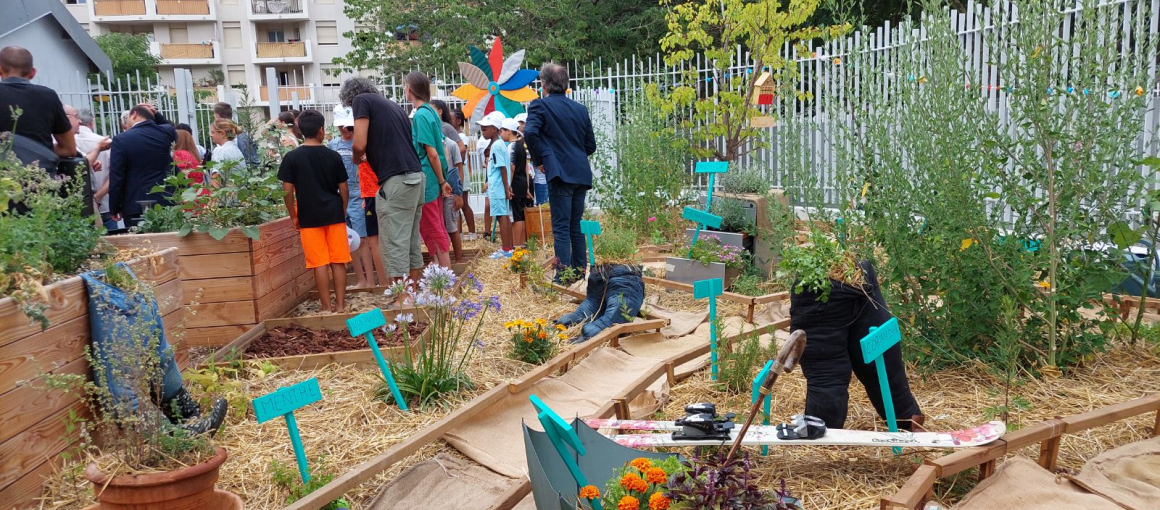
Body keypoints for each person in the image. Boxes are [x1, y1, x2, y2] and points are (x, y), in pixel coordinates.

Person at [789, 260, 925, 432]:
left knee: (884, 367)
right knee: (827, 375)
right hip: (823, 299)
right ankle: (824, 435)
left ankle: (908, 422)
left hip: (859, 285)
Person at [340, 77, 425, 299]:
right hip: (416, 177)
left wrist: (357, 158)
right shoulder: (393, 107)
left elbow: (359, 143)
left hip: (395, 181)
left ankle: (403, 301)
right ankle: (413, 296)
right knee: (410, 241)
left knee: (392, 243)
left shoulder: (361, 100)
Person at [524, 63, 597, 283]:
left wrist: (541, 160)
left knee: (561, 227)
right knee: (575, 224)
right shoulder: (580, 109)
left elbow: (529, 132)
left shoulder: (540, 106)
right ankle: (579, 273)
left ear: (544, 85)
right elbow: (590, 146)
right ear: (566, 84)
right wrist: (572, 154)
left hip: (559, 174)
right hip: (580, 173)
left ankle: (564, 277)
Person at [278, 109, 351, 313]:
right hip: (334, 213)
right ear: (321, 130)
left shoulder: (292, 157)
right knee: (338, 260)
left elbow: (287, 191)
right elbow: (344, 188)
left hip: (308, 216)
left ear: (300, 131)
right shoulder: (333, 156)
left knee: (319, 262)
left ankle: (326, 307)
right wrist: (342, 210)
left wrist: (293, 215)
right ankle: (341, 305)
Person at [404, 72, 453, 269]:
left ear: (410, 90)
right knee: (433, 225)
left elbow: (431, 153)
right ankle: (439, 271)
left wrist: (441, 181)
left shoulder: (421, 115)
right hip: (434, 177)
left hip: (429, 178)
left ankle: (446, 274)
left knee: (432, 226)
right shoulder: (430, 111)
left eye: (405, 86)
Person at [0, 46, 76, 162]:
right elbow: (69, 149)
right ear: (32, 73)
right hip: (39, 175)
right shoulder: (48, 96)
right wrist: (38, 150)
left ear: (0, 70)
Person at [107, 104, 178, 227]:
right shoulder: (165, 133)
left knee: (141, 243)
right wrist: (156, 114)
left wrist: (114, 207)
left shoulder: (121, 139)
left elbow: (117, 176)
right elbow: (170, 127)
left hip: (135, 204)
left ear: (134, 114)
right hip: (164, 200)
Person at [329, 106, 375, 289]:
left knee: (363, 240)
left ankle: (370, 280)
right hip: (341, 195)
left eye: (347, 126)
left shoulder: (362, 142)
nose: (344, 130)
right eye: (340, 126)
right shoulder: (333, 145)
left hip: (359, 193)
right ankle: (360, 279)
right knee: (351, 240)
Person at [72, 106, 117, 230]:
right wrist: (98, 197)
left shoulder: (65, 144)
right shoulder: (105, 142)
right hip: (105, 205)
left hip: (77, 206)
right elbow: (115, 175)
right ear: (91, 122)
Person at [479, 114, 514, 258]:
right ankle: (508, 247)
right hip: (499, 187)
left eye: (485, 129)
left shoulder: (496, 146)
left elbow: (503, 168)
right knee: (503, 216)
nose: (482, 132)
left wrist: (506, 188)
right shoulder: (498, 145)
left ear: (494, 129)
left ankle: (507, 249)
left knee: (502, 217)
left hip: (498, 187)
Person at [501, 119, 533, 248]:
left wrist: (507, 185)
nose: (500, 134)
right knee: (521, 213)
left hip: (515, 183)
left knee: (516, 216)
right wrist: (526, 187)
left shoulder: (511, 147)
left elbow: (511, 168)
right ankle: (523, 243)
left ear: (509, 131)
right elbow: (526, 168)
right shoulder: (521, 145)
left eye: (502, 131)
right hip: (522, 183)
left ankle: (517, 244)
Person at [358, 159, 389, 284]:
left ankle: (385, 283)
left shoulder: (365, 145)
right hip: (375, 193)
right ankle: (389, 282)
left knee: (374, 241)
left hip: (374, 192)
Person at [442, 121, 465, 263]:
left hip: (450, 191)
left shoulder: (451, 144)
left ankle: (458, 259)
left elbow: (458, 169)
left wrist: (458, 193)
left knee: (451, 227)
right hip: (437, 191)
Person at [451, 108, 476, 235]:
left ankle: (471, 232)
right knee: (458, 205)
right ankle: (460, 233)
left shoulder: (461, 137)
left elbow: (462, 153)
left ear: (458, 121)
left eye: (451, 119)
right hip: (457, 170)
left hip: (461, 170)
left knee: (463, 204)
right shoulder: (454, 136)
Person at [517, 112, 549, 205]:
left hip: (538, 169)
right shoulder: (519, 137)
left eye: (519, 123)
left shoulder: (533, 135)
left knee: (542, 202)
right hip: (527, 171)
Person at [207, 118, 246, 184]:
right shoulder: (236, 149)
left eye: (213, 132)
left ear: (222, 134)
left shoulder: (219, 150)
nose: (210, 135)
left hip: (227, 193)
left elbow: (216, 180)